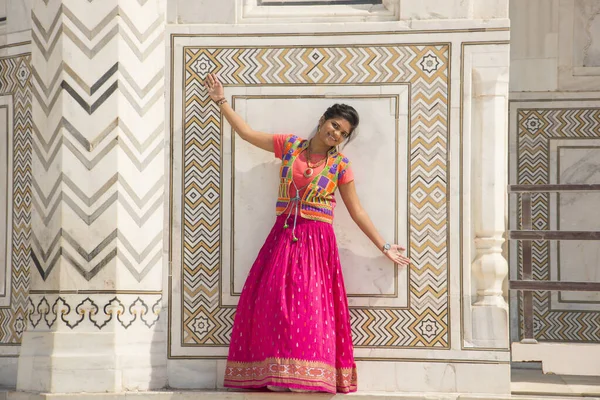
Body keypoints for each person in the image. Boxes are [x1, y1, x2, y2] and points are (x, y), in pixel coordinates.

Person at [203, 73, 410, 394]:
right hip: (283, 237)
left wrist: (384, 247)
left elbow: (357, 211)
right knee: (273, 303)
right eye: (334, 125)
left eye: (343, 133)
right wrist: (221, 101)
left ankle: (309, 376)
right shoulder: (290, 147)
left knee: (310, 307)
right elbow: (246, 134)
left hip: (317, 242)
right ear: (323, 120)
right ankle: (277, 372)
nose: (336, 134)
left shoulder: (340, 165)